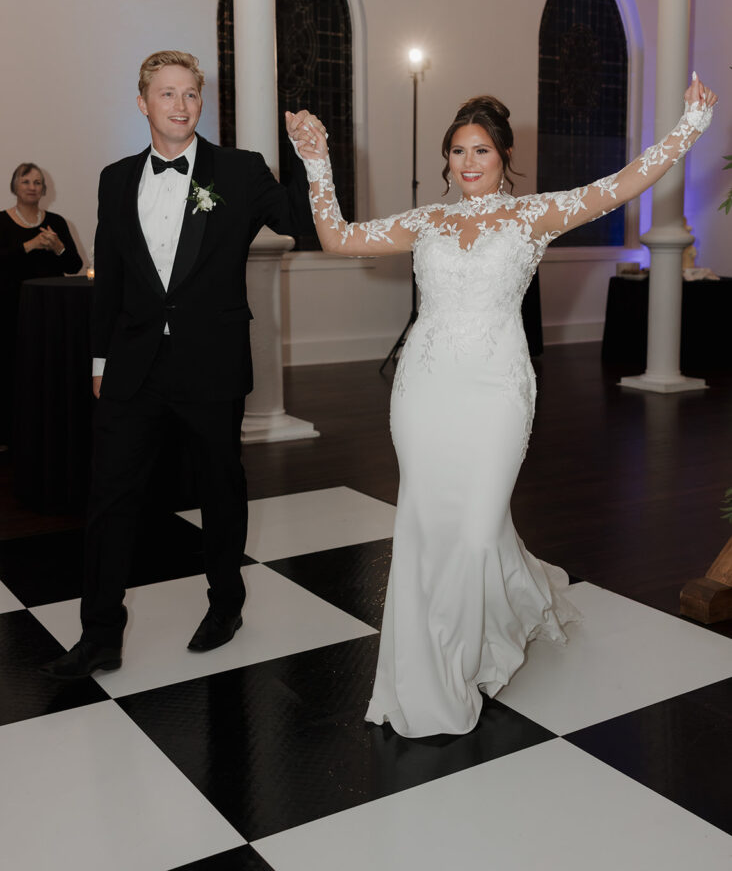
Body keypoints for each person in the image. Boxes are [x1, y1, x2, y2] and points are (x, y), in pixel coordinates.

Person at [292, 73, 717, 737]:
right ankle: (434, 671)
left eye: (481, 151)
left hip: (496, 390)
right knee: (429, 527)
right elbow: (337, 238)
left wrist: (688, 129)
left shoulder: (534, 215)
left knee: (477, 529)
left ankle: (480, 639)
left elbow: (626, 181)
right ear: (447, 159)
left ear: (503, 157)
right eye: (458, 151)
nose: (468, 163)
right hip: (423, 391)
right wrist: (316, 160)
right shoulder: (425, 221)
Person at [42, 50, 320, 679]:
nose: (181, 105)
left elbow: (303, 224)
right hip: (133, 366)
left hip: (210, 364)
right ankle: (100, 634)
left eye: (191, 94)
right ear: (143, 103)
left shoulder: (240, 171)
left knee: (219, 491)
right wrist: (99, 358)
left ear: (201, 101)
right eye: (167, 94)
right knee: (110, 496)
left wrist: (310, 160)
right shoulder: (115, 178)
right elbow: (108, 278)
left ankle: (225, 606)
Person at [0, 164, 82, 449]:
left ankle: (47, 434)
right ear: (15, 186)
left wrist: (58, 246)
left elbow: (74, 266)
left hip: (50, 312)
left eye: (38, 182)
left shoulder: (56, 222)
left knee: (48, 371)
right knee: (11, 372)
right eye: (26, 181)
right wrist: (30, 244)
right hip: (11, 310)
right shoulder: (2, 221)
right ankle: (9, 438)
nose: (33, 186)